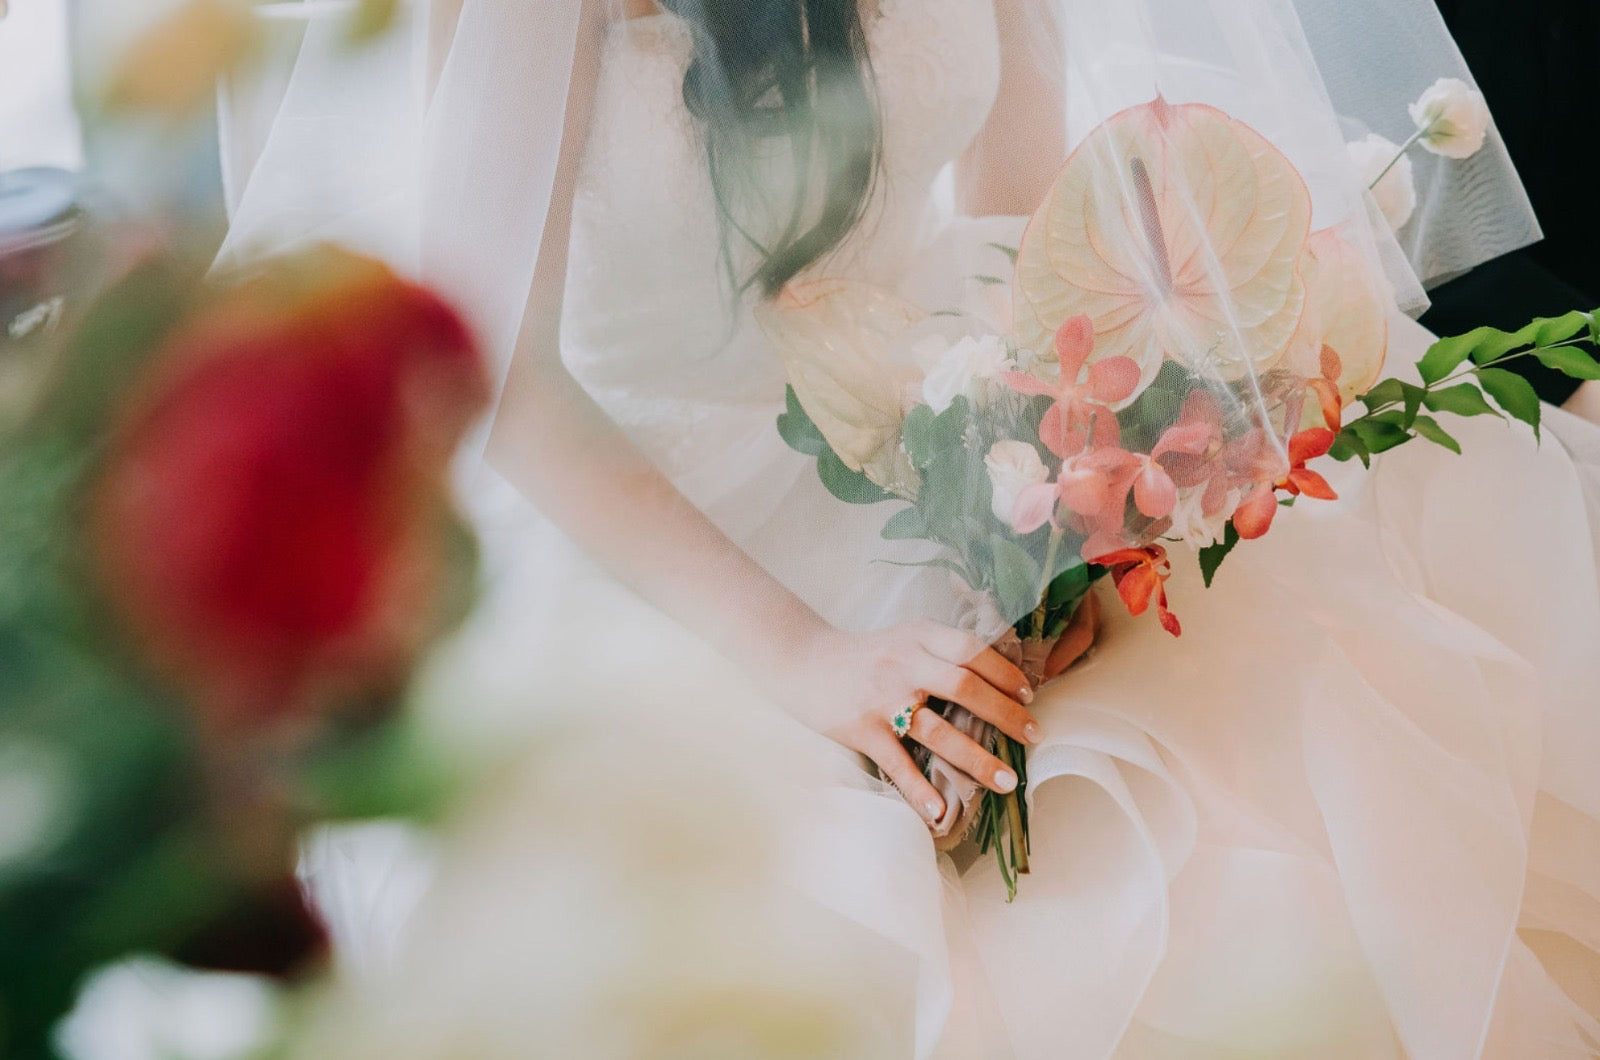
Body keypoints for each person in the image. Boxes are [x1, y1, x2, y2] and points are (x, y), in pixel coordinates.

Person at [228, 0, 1600, 1054]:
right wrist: (813, 661)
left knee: (1296, 787)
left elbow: (1020, 207)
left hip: (937, 417)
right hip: (649, 526)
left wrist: (1062, 494)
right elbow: (498, 384)